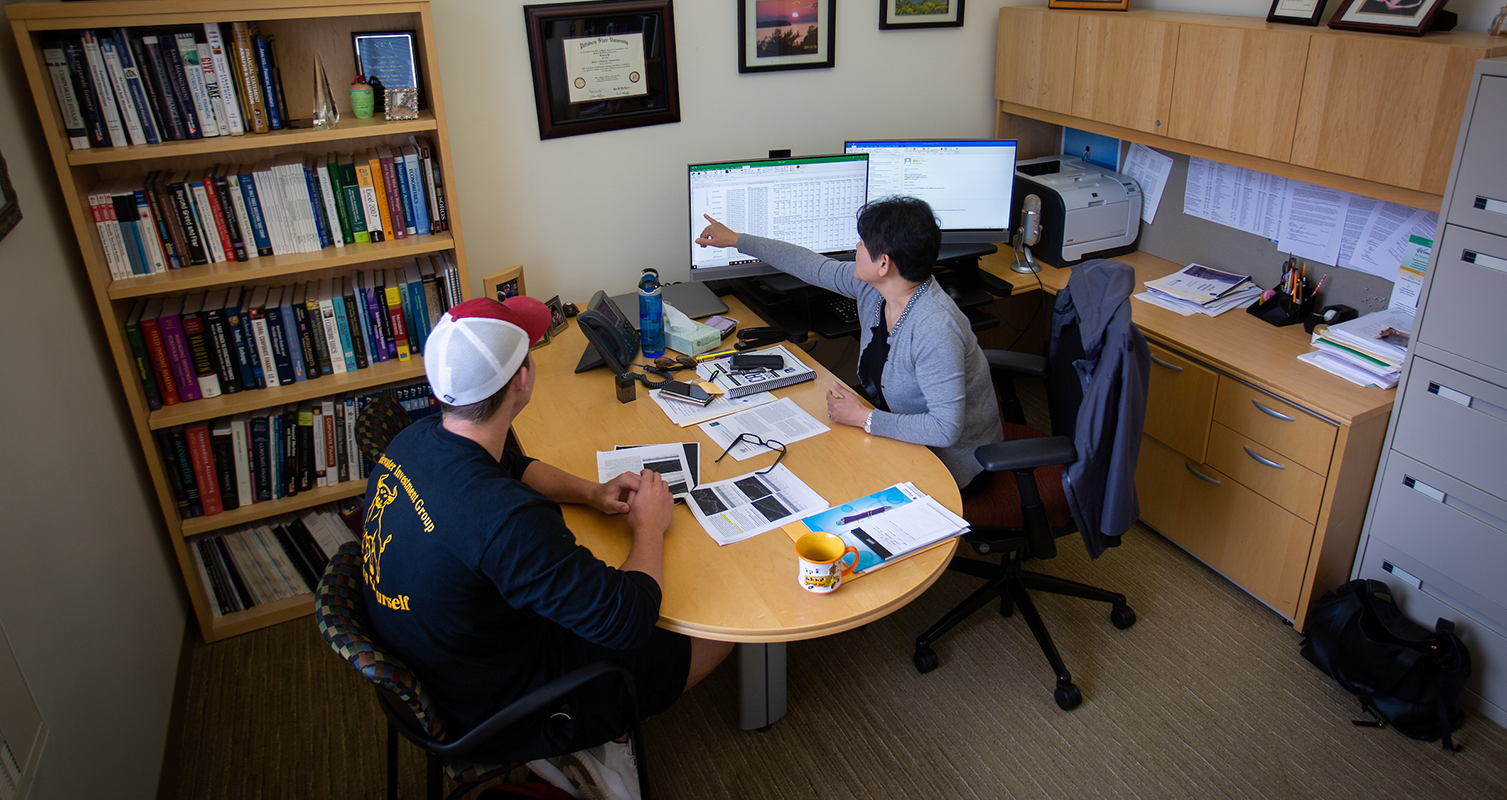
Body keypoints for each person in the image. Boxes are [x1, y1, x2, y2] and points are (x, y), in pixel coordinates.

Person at [361, 295, 732, 800]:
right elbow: (629, 618)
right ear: (522, 380)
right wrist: (648, 526)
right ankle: (592, 737)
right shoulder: (503, 520)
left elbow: (512, 467)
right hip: (495, 708)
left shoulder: (418, 438)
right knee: (725, 630)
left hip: (443, 658)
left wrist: (592, 492)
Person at [696, 196, 1002, 491]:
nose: (856, 247)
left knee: (825, 478)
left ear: (884, 263)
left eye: (862, 243)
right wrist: (736, 239)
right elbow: (809, 265)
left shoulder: (934, 328)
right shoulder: (875, 288)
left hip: (952, 466)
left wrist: (864, 418)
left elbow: (944, 430)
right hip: (894, 432)